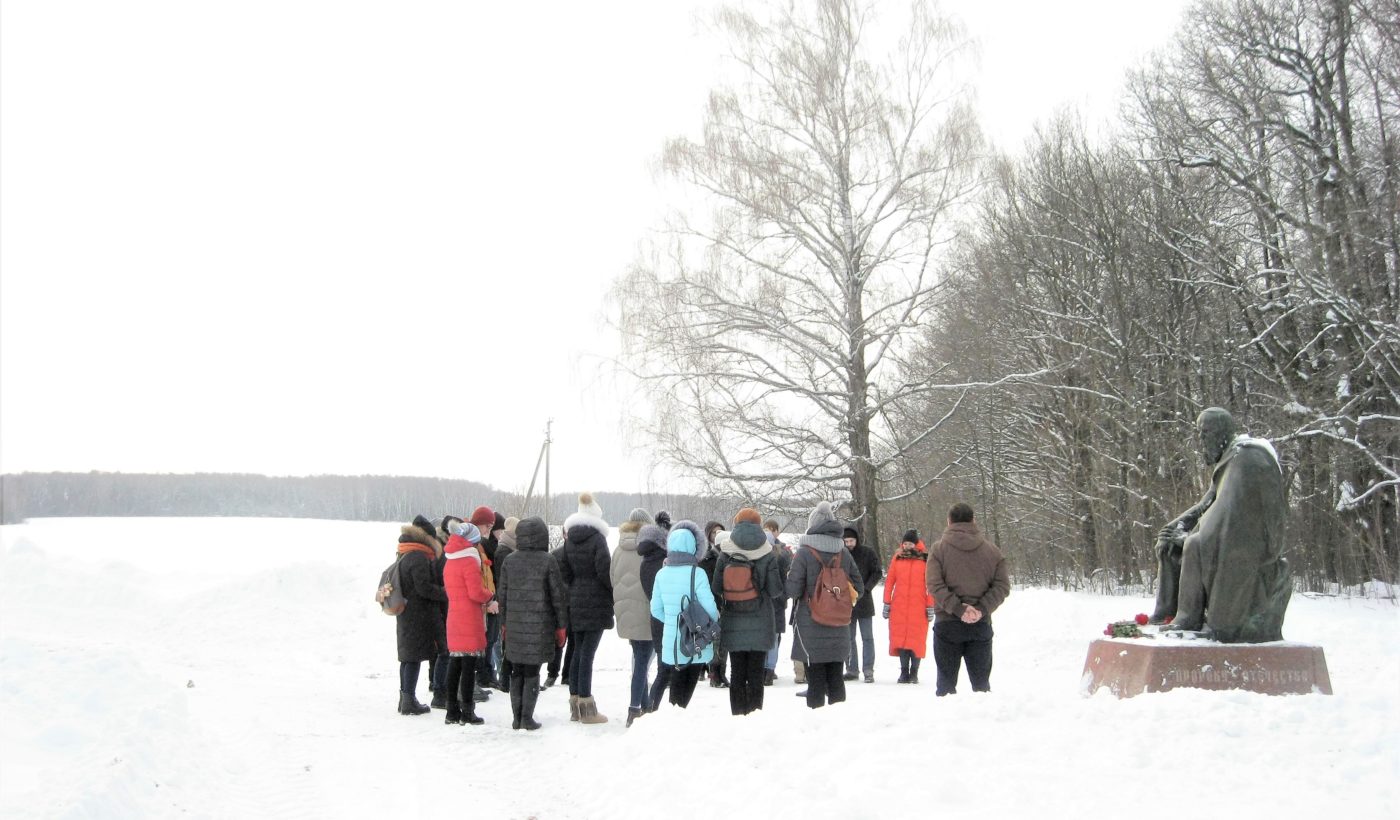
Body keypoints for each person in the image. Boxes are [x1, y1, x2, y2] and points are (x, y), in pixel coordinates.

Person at [1151, 407, 1291, 642]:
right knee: (1171, 546)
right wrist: (1176, 526)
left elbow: (1236, 513)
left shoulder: (1248, 458)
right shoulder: (1228, 459)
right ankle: (1170, 611)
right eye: (1199, 434)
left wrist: (1196, 534)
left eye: (1205, 434)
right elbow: (1208, 503)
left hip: (1247, 544)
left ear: (1221, 433)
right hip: (1225, 536)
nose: (1201, 441)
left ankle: (1188, 617)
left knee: (1193, 545)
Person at [925, 503, 1010, 696]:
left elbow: (934, 585)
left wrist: (958, 609)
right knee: (981, 686)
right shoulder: (993, 551)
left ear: (949, 521)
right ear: (973, 521)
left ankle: (946, 723)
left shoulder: (938, 550)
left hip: (947, 624)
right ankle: (984, 722)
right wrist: (980, 608)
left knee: (945, 687)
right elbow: (1002, 586)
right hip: (980, 625)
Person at [788, 502, 864, 709]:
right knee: (836, 675)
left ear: (812, 525)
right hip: (839, 622)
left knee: (816, 679)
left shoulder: (804, 552)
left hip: (810, 621)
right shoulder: (843, 552)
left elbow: (792, 590)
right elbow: (859, 586)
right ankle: (837, 722)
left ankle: (816, 722)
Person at [497, 516, 569, 730]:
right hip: (540, 627)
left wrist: (504, 623)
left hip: (515, 626)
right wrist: (561, 625)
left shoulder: (510, 560)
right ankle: (527, 717)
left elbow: (503, 595)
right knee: (532, 672)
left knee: (516, 670)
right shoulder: (548, 561)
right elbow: (558, 597)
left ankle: (516, 717)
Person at [712, 508, 784, 715]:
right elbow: (775, 590)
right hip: (761, 622)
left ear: (736, 524)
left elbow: (717, 587)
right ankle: (754, 716)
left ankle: (737, 715)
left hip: (733, 621)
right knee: (755, 673)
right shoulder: (767, 551)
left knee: (736, 672)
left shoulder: (726, 551)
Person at [649, 520, 718, 709]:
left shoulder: (661, 574)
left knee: (676, 684)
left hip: (672, 641)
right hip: (694, 638)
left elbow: (655, 609)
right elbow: (711, 610)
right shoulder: (698, 573)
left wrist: (673, 621)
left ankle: (673, 720)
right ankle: (678, 721)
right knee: (686, 690)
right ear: (694, 547)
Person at [558, 492, 613, 724]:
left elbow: (566, 572)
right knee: (587, 655)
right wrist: (611, 591)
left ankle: (575, 705)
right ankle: (587, 709)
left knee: (578, 651)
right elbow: (604, 571)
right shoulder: (598, 539)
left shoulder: (569, 539)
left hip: (575, 600)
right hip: (596, 601)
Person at [392, 517, 447, 715]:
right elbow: (423, 588)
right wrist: (445, 591)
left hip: (406, 613)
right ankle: (409, 700)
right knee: (413, 658)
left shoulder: (404, 553)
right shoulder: (418, 557)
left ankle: (405, 697)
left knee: (407, 657)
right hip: (418, 614)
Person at [442, 521, 494, 725]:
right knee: (468, 666)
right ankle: (467, 711)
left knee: (454, 664)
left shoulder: (449, 561)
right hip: (469, 618)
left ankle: (451, 711)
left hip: (454, 616)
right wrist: (490, 596)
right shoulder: (470, 560)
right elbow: (475, 592)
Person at [611, 508, 656, 726]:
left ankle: (645, 705)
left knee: (640, 658)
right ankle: (634, 708)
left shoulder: (619, 548)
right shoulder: (649, 549)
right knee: (642, 663)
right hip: (645, 610)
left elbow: (613, 578)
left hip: (624, 610)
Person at [884, 529, 935, 684]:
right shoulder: (897, 558)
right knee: (901, 640)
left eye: (910, 543)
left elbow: (931, 585)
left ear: (916, 544)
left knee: (916, 640)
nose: (907, 546)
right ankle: (904, 671)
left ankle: (914, 672)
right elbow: (890, 581)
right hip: (899, 605)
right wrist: (887, 602)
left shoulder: (925, 559)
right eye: (905, 543)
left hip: (918, 606)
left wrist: (930, 605)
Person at [636, 520, 670, 710]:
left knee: (663, 669)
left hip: (655, 619)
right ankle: (651, 707)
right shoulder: (663, 562)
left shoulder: (645, 563)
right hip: (667, 618)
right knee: (665, 671)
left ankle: (650, 706)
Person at [843, 526, 882, 683]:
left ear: (857, 540)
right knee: (849, 638)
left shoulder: (867, 552)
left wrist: (866, 588)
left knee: (867, 638)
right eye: (846, 541)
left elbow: (877, 572)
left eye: (851, 541)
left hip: (864, 601)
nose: (849, 544)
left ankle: (868, 669)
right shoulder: (841, 554)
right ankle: (852, 669)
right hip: (847, 602)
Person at [469, 505, 502, 693]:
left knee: (489, 640)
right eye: (487, 526)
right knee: (481, 642)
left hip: (490, 597)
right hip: (482, 601)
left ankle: (486, 674)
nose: (488, 531)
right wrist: (487, 600)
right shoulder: (477, 546)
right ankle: (481, 676)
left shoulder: (485, 546)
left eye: (491, 527)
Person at [428, 514, 459, 709]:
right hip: (441, 606)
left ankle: (440, 688)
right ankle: (439, 692)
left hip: (443, 605)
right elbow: (441, 579)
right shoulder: (442, 551)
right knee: (445, 651)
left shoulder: (442, 548)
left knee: (445, 650)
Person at [762, 519, 794, 685]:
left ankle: (768, 669)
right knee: (773, 638)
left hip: (771, 600)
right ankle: (768, 669)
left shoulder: (779, 552)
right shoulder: (783, 553)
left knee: (771, 637)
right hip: (777, 599)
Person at [701, 521, 730, 688]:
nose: (717, 535)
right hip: (713, 604)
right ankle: (714, 674)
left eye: (720, 532)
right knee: (714, 641)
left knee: (724, 641)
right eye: (713, 533)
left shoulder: (729, 555)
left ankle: (721, 673)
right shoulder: (706, 558)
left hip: (728, 604)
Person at [493, 516, 519, 693]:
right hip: (506, 601)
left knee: (507, 642)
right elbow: (505, 579)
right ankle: (505, 680)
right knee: (506, 642)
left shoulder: (506, 548)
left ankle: (506, 679)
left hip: (506, 600)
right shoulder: (504, 551)